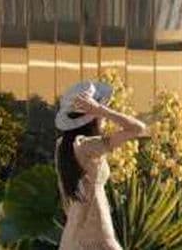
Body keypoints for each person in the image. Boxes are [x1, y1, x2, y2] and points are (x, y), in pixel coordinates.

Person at [53, 80, 148, 250]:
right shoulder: (87, 146)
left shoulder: (62, 145)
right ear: (90, 117)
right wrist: (100, 110)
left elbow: (65, 192)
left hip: (73, 233)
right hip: (96, 230)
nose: (103, 118)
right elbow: (138, 128)